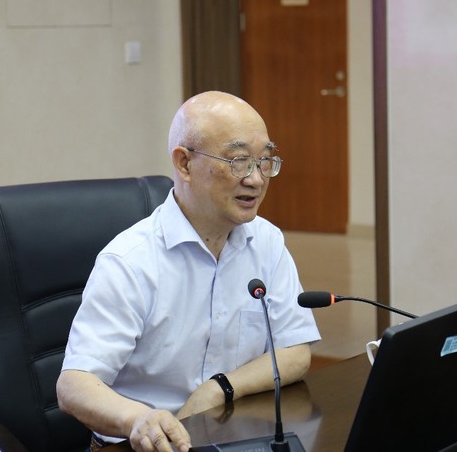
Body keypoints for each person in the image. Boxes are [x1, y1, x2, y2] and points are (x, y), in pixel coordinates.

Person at [57, 91, 321, 452]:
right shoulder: (130, 261)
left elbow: (294, 351)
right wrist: (138, 420)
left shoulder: (266, 241)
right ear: (184, 164)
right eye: (239, 161)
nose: (256, 180)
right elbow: (74, 386)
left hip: (233, 436)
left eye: (264, 161)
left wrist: (220, 388)